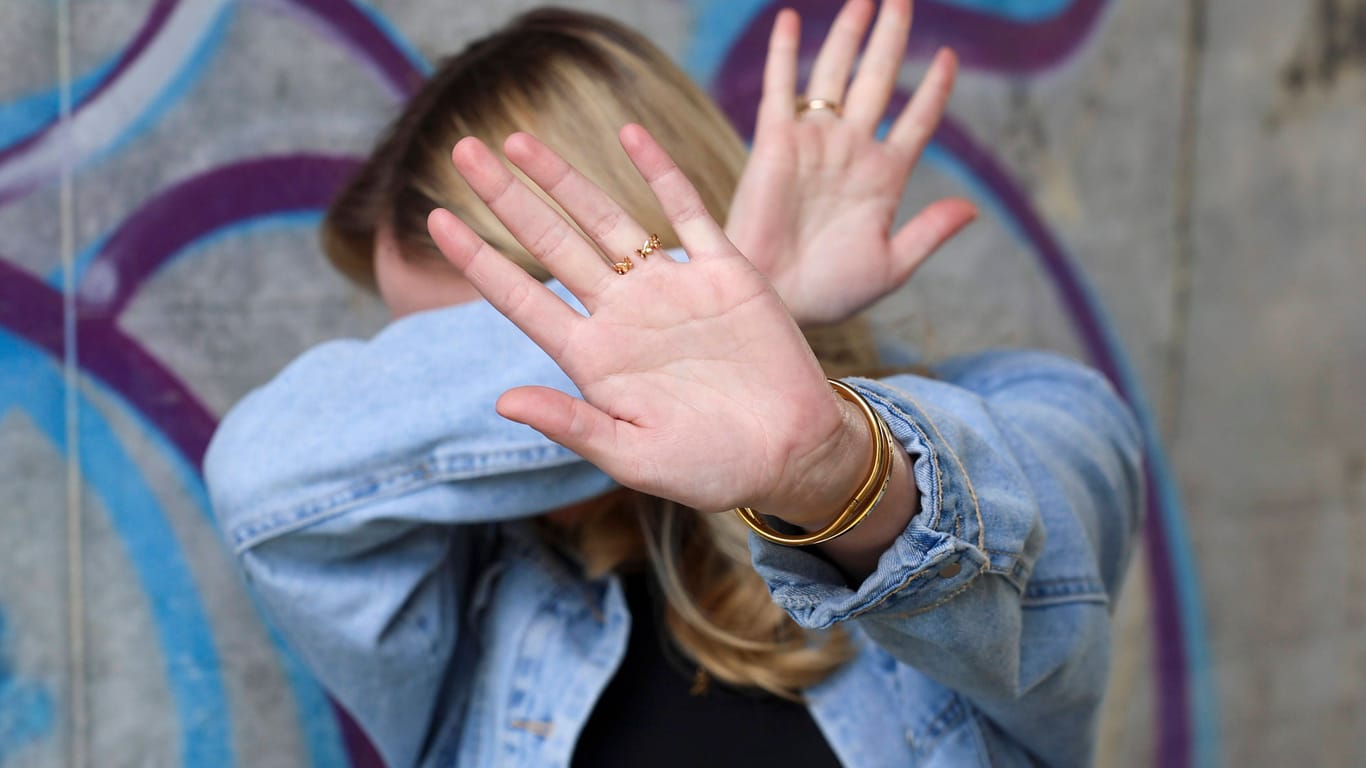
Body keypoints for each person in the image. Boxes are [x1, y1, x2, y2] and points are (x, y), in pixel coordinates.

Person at [204, 2, 1142, 766]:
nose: (460, 402)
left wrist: (818, 462)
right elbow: (266, 478)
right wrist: (749, 283)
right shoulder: (474, 591)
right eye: (423, 364)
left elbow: (1019, 552)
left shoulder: (1036, 417)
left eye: (500, 329)